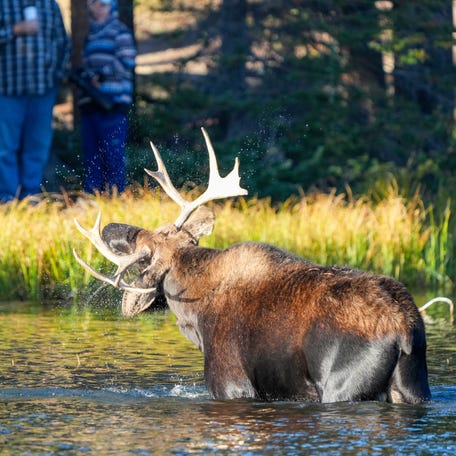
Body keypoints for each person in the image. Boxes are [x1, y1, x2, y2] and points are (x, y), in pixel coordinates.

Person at [0, 0, 70, 203]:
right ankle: (7, 199)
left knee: (37, 147)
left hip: (43, 90)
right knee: (5, 148)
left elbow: (61, 42)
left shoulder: (50, 5)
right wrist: (14, 29)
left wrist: (56, 75)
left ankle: (31, 198)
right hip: (7, 90)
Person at [76, 0, 137, 195]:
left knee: (113, 155)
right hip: (92, 106)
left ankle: (116, 197)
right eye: (94, 4)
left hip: (113, 106)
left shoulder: (120, 31)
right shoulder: (91, 36)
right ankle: (92, 196)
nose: (97, 8)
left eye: (102, 4)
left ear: (111, 7)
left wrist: (102, 75)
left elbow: (128, 60)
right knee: (92, 156)